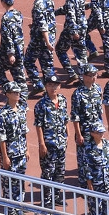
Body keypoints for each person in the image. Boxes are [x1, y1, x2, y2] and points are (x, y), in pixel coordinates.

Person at [35, 74, 69, 204]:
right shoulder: (41, 104)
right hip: (49, 144)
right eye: (50, 85)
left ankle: (56, 196)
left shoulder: (63, 100)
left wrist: (67, 135)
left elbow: (65, 119)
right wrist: (41, 144)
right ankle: (47, 199)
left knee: (60, 171)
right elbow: (38, 125)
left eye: (55, 85)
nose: (53, 87)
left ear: (59, 86)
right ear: (46, 86)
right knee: (48, 172)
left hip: (61, 142)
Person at [0, 82, 29, 214]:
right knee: (9, 183)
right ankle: (10, 210)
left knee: (20, 182)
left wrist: (27, 149)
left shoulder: (21, 110)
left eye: (18, 92)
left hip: (21, 153)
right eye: (14, 92)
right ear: (7, 94)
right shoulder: (3, 114)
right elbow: (1, 138)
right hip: (10, 155)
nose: (17, 94)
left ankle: (19, 208)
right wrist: (5, 157)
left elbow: (24, 132)